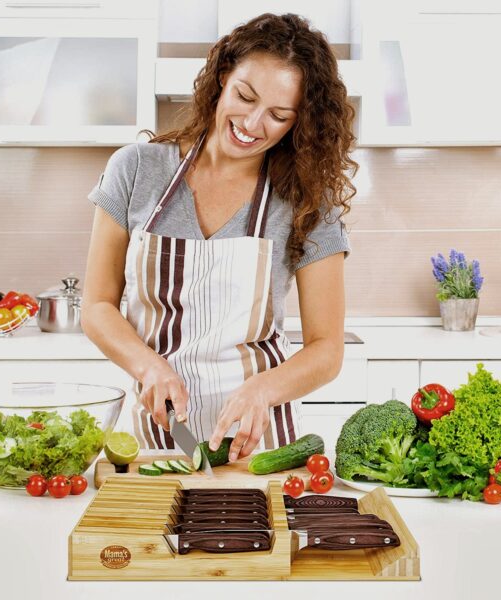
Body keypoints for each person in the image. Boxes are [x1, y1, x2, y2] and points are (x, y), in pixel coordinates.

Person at [81, 13, 358, 463]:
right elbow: (96, 307)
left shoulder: (306, 201)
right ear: (223, 76)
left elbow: (327, 348)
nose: (252, 123)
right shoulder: (136, 170)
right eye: (245, 96)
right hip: (156, 441)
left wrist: (263, 391)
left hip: (261, 449)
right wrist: (149, 367)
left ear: (298, 123)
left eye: (278, 115)